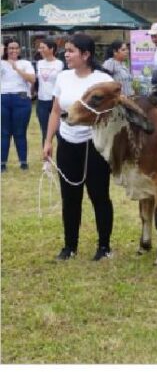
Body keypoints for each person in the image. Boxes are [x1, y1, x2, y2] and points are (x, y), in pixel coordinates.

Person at [42, 33, 115, 261]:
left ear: (86, 55)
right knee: (70, 197)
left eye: (72, 50)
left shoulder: (103, 80)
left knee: (99, 196)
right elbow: (55, 110)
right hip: (67, 143)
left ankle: (104, 247)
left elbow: (113, 113)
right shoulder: (63, 77)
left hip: (94, 145)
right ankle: (69, 247)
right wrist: (48, 140)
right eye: (67, 50)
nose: (67, 54)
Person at [1, 38, 36, 172]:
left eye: (16, 48)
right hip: (3, 97)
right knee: (4, 133)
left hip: (21, 98)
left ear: (20, 49)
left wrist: (17, 69)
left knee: (20, 132)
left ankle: (23, 162)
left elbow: (32, 79)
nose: (13, 50)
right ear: (6, 49)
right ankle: (2, 163)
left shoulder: (25, 63)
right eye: (10, 48)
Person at [35, 38, 65, 145]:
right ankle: (47, 160)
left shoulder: (60, 64)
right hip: (42, 101)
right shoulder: (38, 63)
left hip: (55, 100)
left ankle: (62, 159)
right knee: (45, 131)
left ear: (51, 49)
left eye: (43, 47)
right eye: (40, 48)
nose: (40, 50)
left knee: (58, 131)